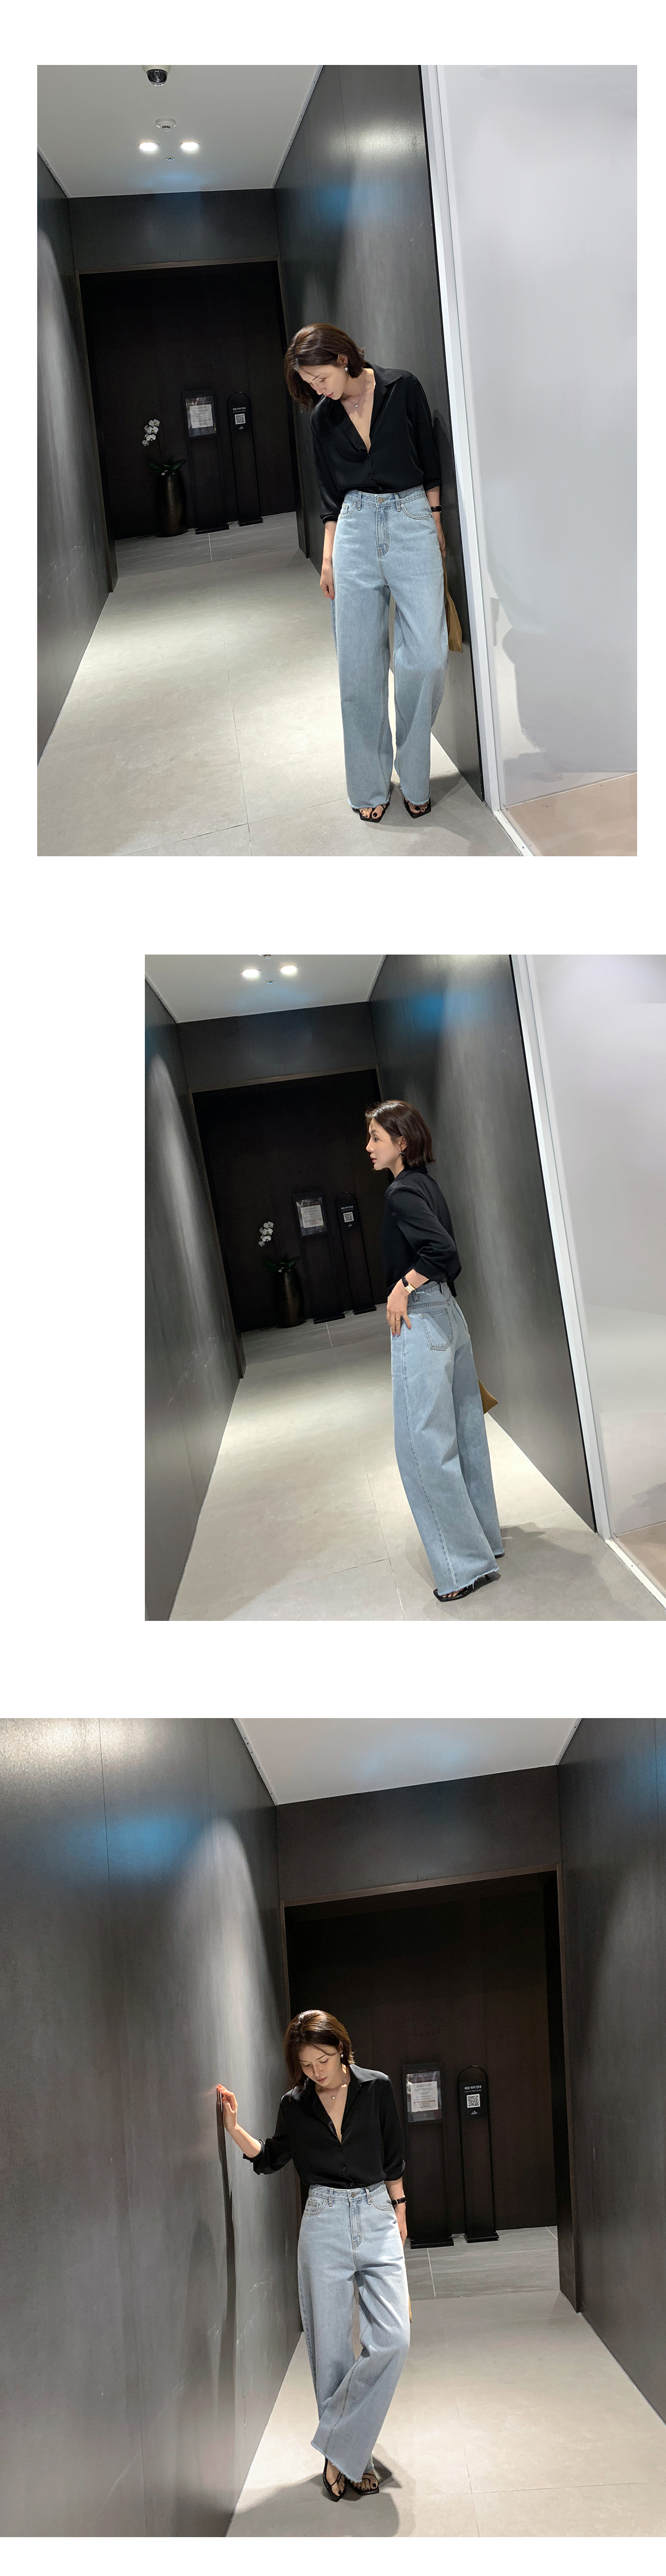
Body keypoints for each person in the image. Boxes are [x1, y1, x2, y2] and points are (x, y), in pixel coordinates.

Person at [216, 2008, 410, 2503]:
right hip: (322, 2221)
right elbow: (272, 2156)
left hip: (376, 2212)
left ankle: (338, 2446)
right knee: (331, 2350)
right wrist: (235, 2129)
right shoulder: (296, 2104)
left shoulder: (376, 2087)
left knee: (394, 2338)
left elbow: (393, 2155)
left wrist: (400, 2209)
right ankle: (349, 2458)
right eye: (306, 2065)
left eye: (322, 2060)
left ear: (341, 2048)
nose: (316, 2072)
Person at [284, 324, 449, 823]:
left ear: (342, 358)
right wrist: (328, 558)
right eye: (310, 383)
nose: (318, 389)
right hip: (353, 530)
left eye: (320, 377)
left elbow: (429, 460)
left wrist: (435, 520)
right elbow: (329, 496)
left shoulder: (403, 387)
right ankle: (368, 783)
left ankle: (415, 774)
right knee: (357, 668)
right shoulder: (322, 418)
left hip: (411, 518)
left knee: (427, 656)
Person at [366, 1099, 504, 1601]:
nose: (368, 1147)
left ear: (401, 1142)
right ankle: (484, 1542)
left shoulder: (401, 1192)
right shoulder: (427, 1185)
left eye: (376, 1138)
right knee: (465, 1435)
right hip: (449, 1316)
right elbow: (446, 1256)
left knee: (422, 1448)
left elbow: (444, 1252)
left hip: (422, 1319)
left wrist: (404, 1285)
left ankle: (464, 1566)